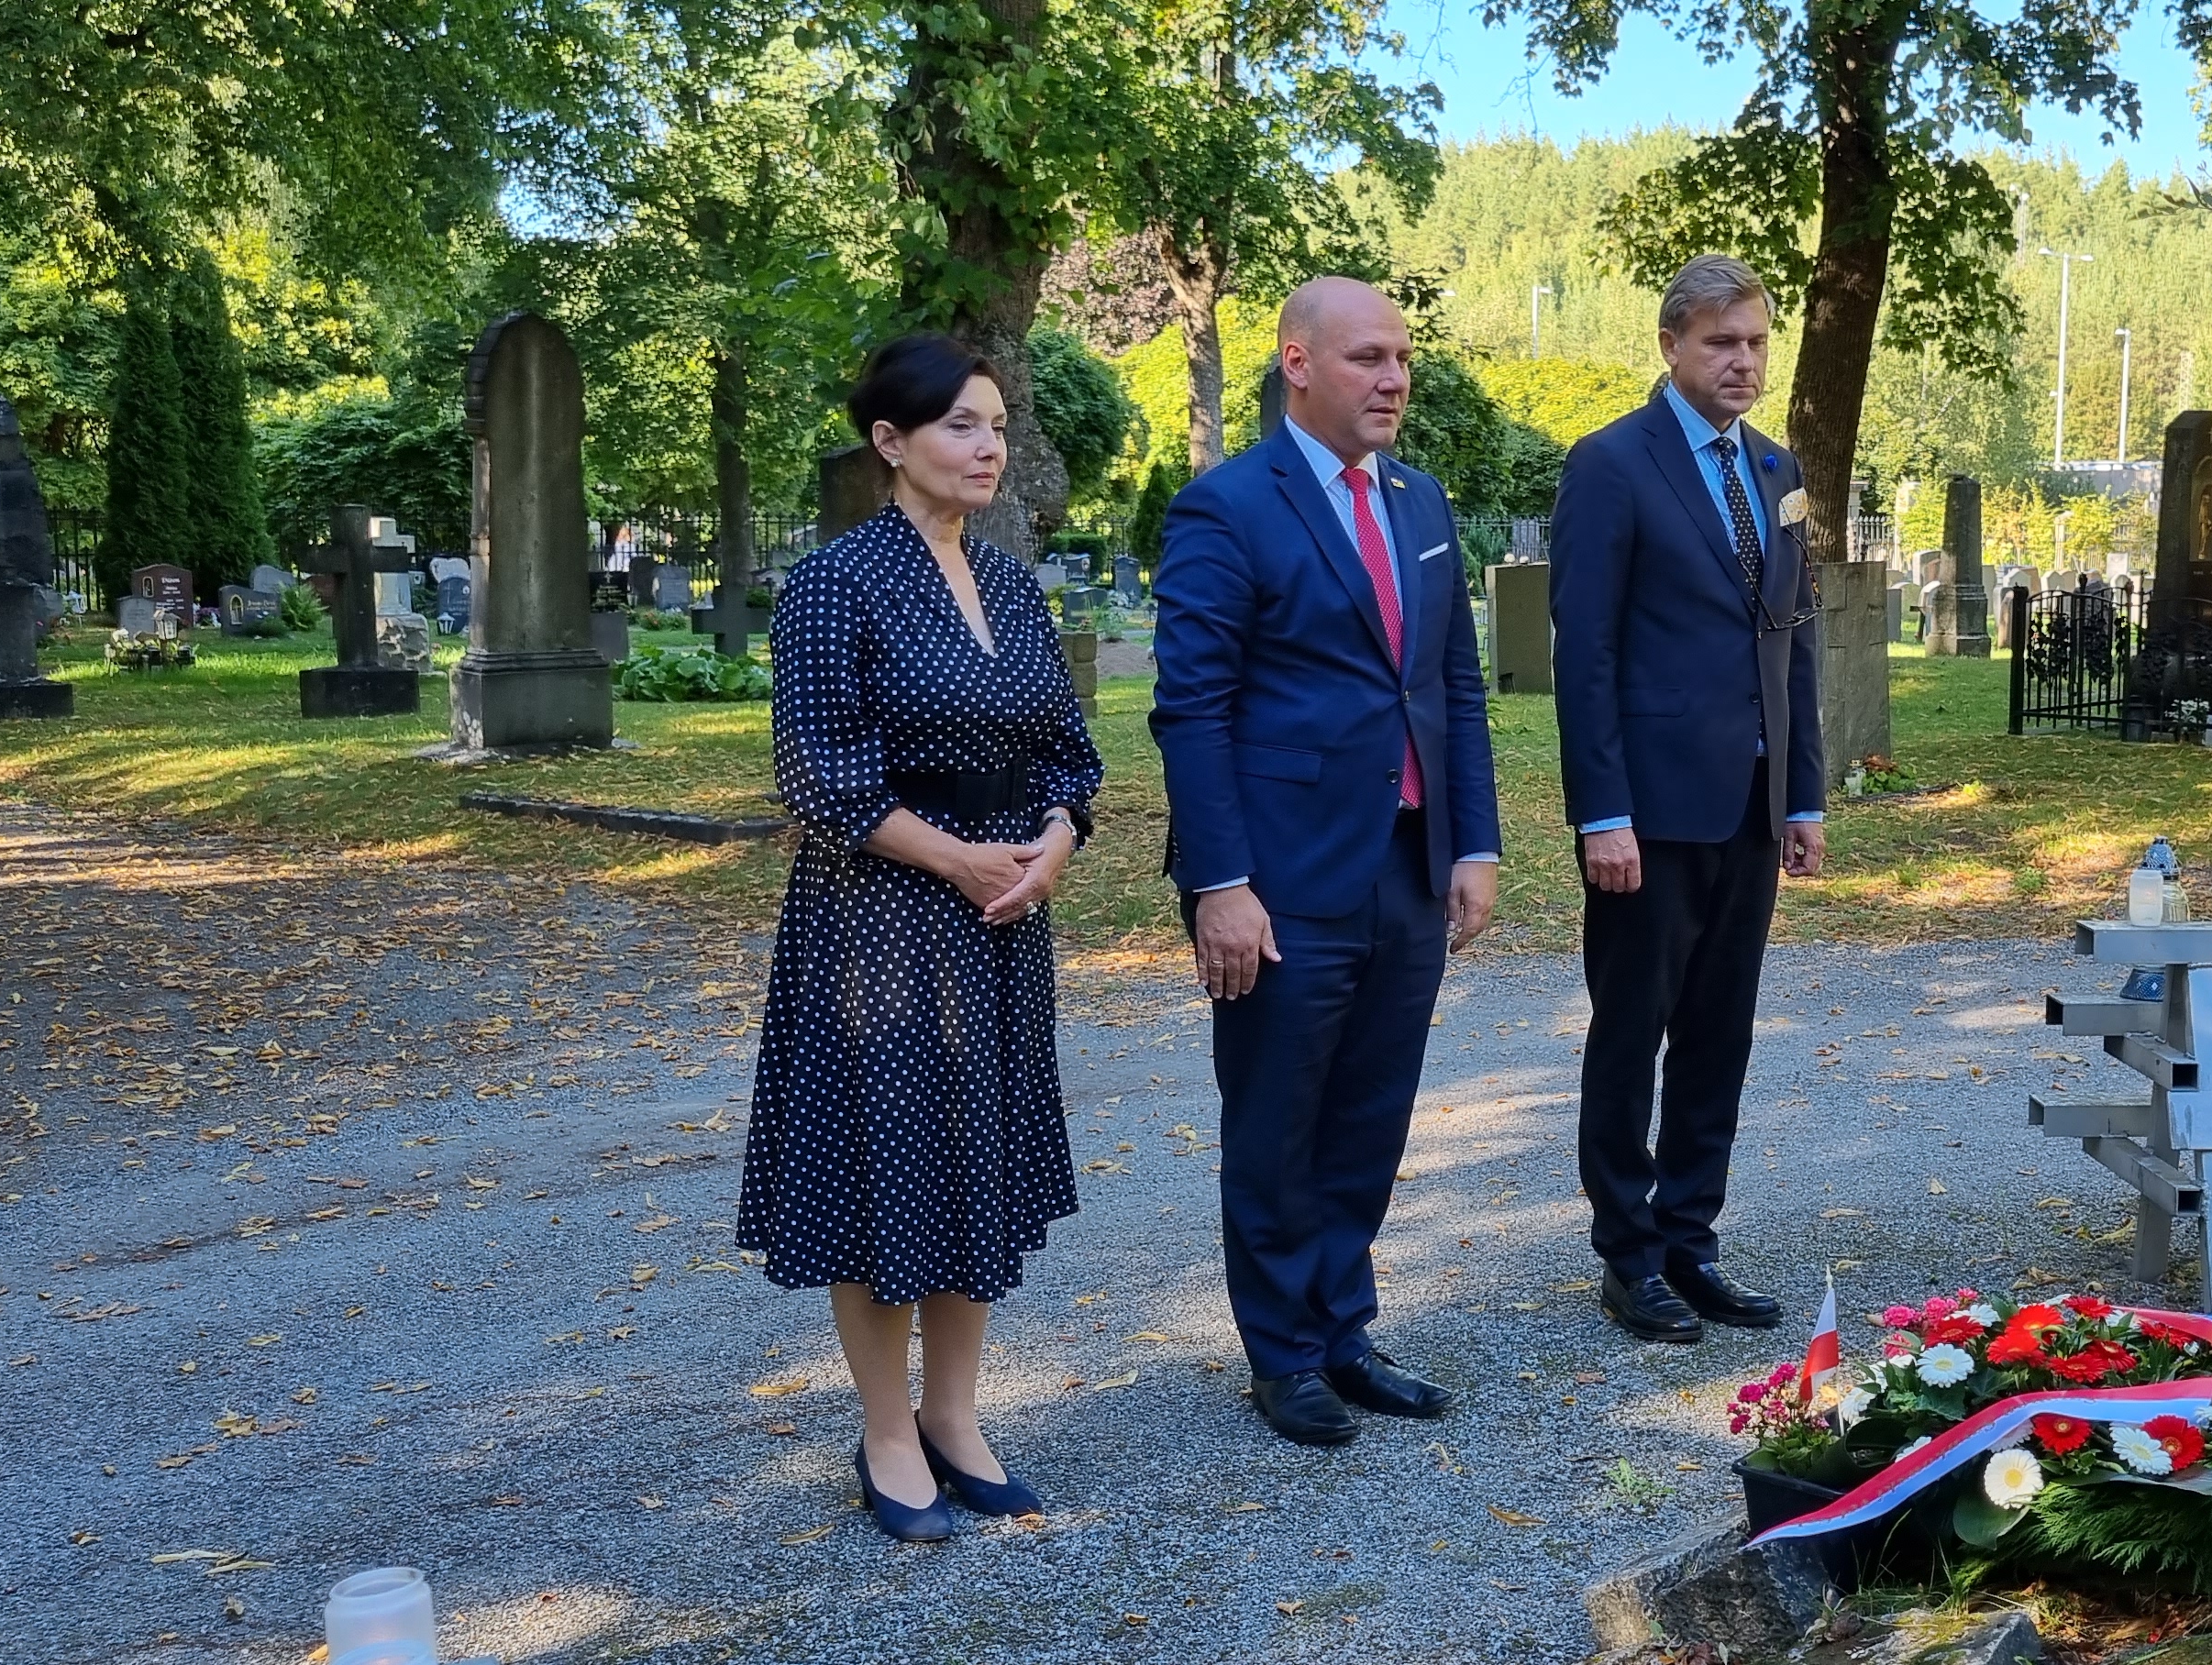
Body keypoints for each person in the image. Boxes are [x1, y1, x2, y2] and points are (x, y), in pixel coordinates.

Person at [736, 333, 1101, 1542]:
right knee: (882, 1168)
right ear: (890, 443)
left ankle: (954, 1414)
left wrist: (1057, 838)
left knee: (974, 1162)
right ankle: (887, 1430)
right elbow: (819, 773)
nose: (987, 446)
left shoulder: (1008, 582)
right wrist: (956, 857)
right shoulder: (835, 583)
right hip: (882, 917)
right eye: (960, 425)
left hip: (1004, 914)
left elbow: (1067, 750)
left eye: (996, 424)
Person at [1152, 277, 1502, 1446]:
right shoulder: (1225, 507)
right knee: (1277, 1121)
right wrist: (1221, 884)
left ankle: (1344, 1329)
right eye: (1367, 359)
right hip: (1280, 877)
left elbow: (1451, 685)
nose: (1394, 379)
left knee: (1369, 1115)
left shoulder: (1419, 498)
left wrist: (1472, 841)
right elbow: (1192, 711)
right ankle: (1283, 1353)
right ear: (1297, 364)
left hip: (1407, 863)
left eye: (1401, 358)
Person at [1545, 253, 1824, 1345]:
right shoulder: (1612, 464)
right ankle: (1629, 1256)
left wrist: (1802, 795)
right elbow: (1585, 653)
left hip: (1751, 803)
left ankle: (1690, 1240)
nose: (1742, 361)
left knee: (1719, 1036)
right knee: (1632, 1035)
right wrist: (1601, 812)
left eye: (1755, 342)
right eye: (1720, 343)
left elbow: (1793, 638)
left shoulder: (1776, 468)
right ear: (1671, 346)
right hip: (1650, 813)